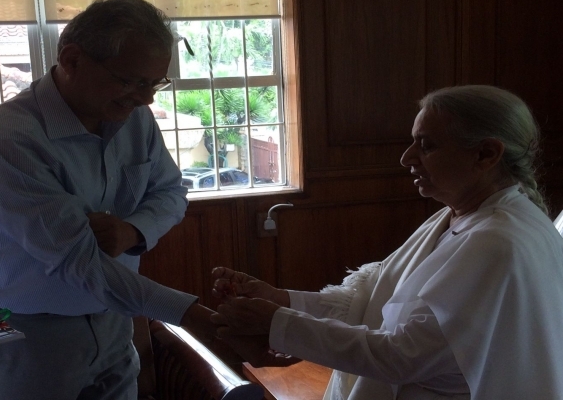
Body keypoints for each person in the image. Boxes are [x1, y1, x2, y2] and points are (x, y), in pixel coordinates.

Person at [211, 85, 563, 400]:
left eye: (427, 145)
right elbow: (373, 299)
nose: (406, 157)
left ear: (486, 154)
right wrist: (282, 299)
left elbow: (403, 356)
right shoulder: (457, 215)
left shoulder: (497, 242)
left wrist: (277, 323)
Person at [0, 0, 216, 399]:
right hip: (13, 328)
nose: (146, 98)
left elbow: (170, 191)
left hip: (110, 320)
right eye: (131, 81)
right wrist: (196, 317)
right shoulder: (5, 139)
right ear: (72, 60)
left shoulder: (134, 118)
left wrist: (132, 231)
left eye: (154, 83)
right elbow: (79, 260)